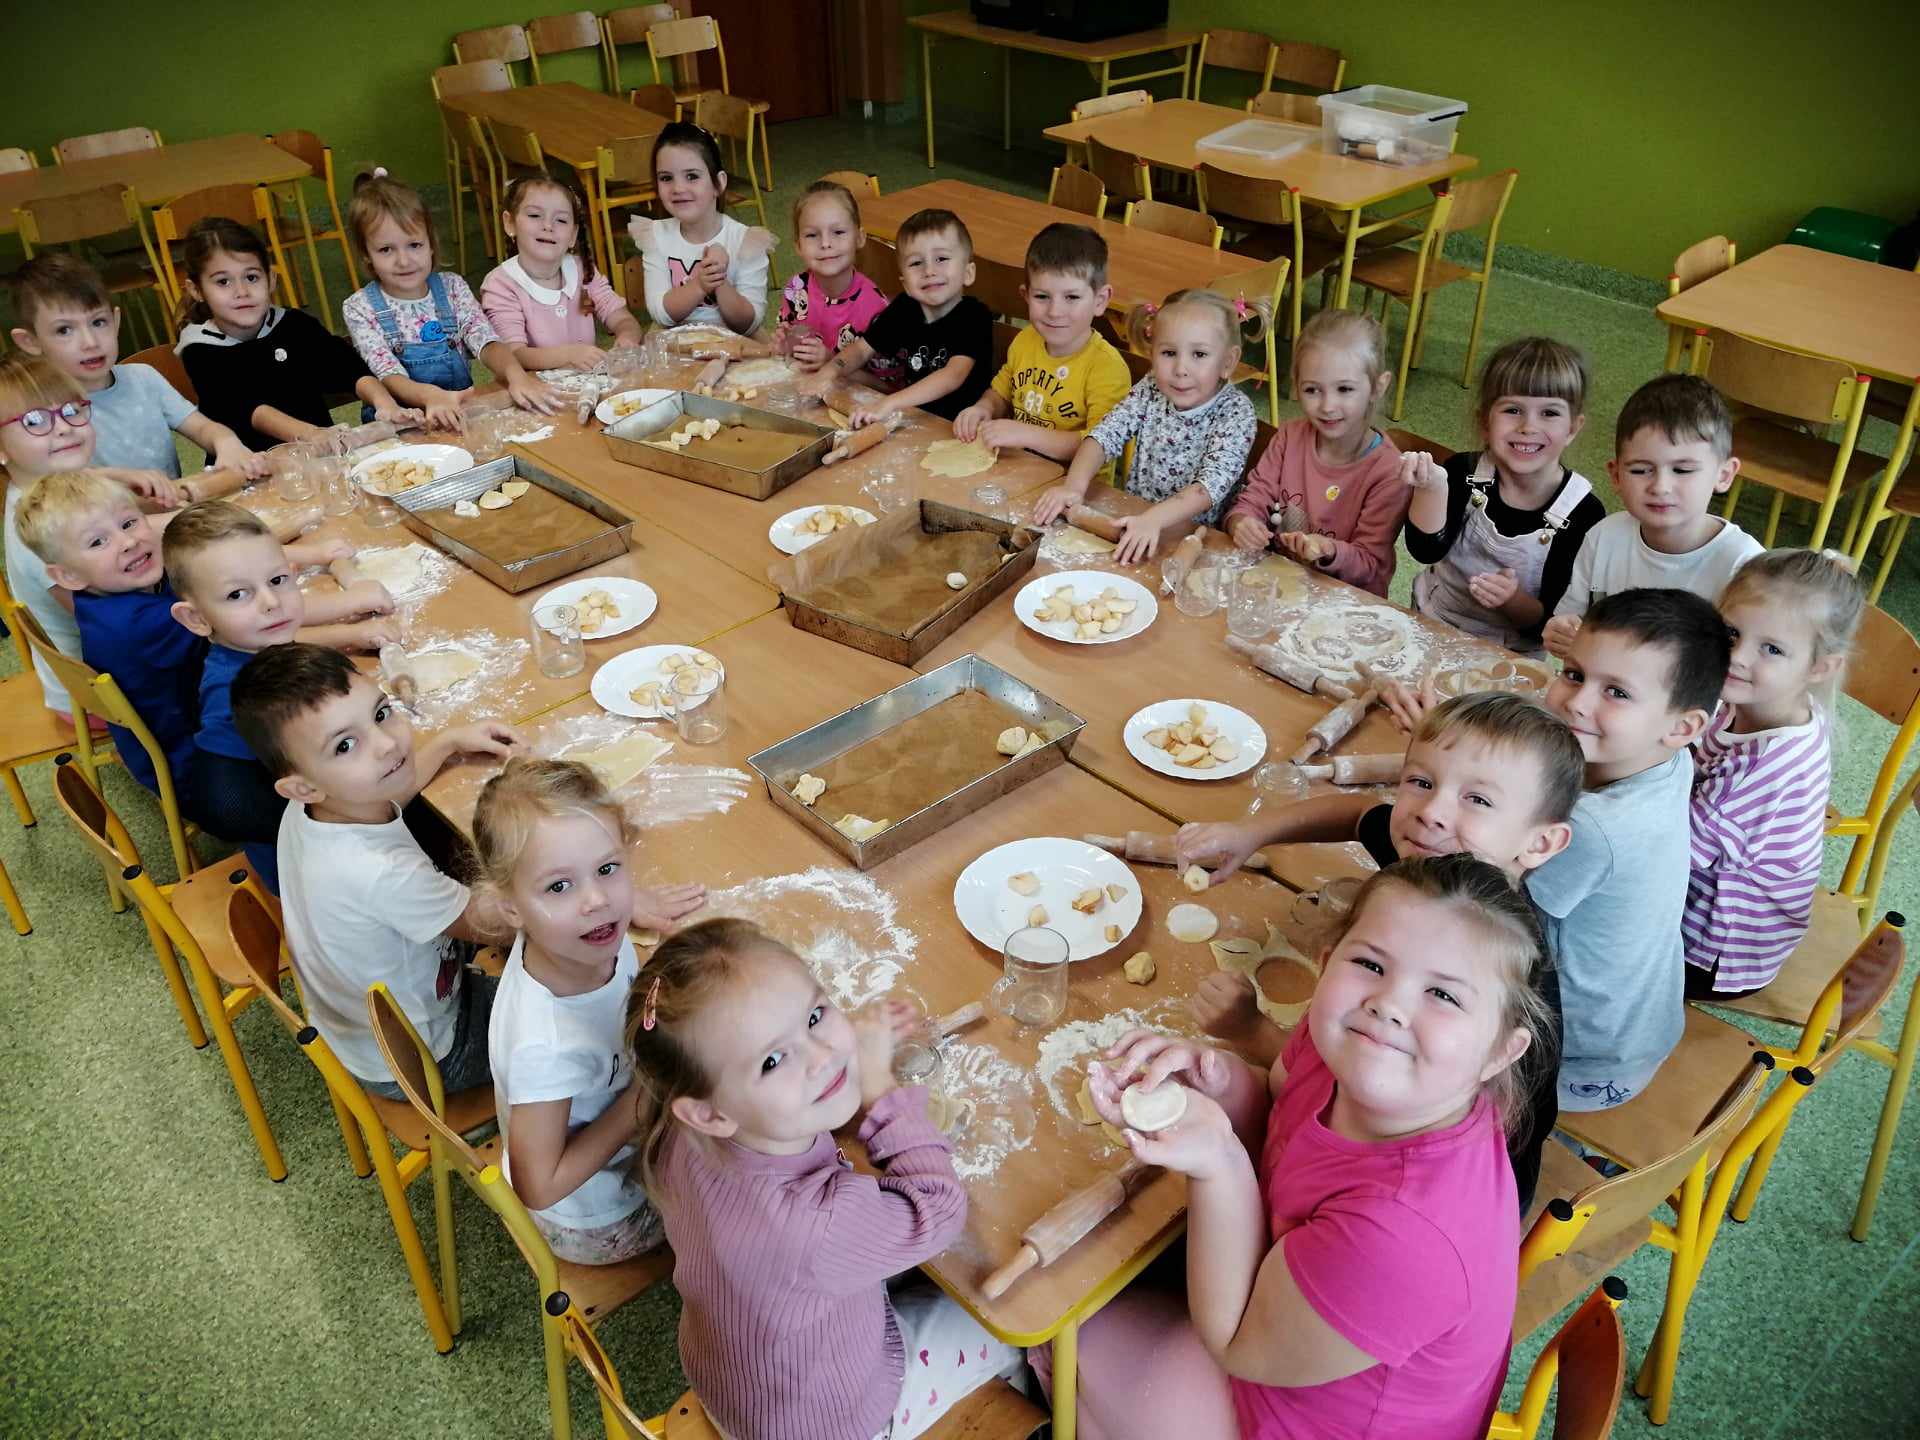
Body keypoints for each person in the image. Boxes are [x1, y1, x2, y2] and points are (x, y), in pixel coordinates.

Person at [1042, 855, 1551, 1440]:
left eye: (1443, 994)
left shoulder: (1409, 1237)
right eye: (1369, 963)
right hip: (1285, 1318)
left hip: (1303, 1408)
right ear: (1328, 961)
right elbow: (1280, 1108)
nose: (1388, 1003)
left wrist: (1218, 1162)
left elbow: (1235, 1340)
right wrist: (1217, 1081)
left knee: (1071, 1325)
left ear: (1500, 1052)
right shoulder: (1350, 1041)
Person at [1177, 691, 1581, 1211]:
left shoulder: (1505, 995)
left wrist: (1249, 1031)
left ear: (1542, 844)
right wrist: (1253, 833)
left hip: (1396, 1186)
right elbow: (1362, 814)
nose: (1429, 812)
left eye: (1477, 800)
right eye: (1421, 781)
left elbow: (1371, 1079)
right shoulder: (1443, 868)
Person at [625, 917, 1024, 1440]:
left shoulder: (682, 1135)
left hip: (738, 1387)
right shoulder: (815, 1225)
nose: (823, 1057)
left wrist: (817, 1067)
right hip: (830, 1420)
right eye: (772, 1060)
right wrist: (879, 1090)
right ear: (707, 1112)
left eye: (815, 1015)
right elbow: (940, 1209)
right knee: (1011, 1324)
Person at [230, 644, 521, 1096]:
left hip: (357, 1030)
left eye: (381, 713)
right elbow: (498, 925)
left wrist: (445, 745)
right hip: (427, 1056)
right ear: (302, 785)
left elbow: (388, 793)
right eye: (345, 745)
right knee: (586, 1016)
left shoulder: (310, 808)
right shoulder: (382, 872)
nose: (387, 745)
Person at [476, 758, 702, 1263]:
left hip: (623, 1133)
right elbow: (539, 1184)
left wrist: (627, 900)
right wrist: (644, 1100)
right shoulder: (546, 1047)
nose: (596, 901)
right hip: (598, 1218)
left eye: (607, 868)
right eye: (560, 886)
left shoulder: (576, 936)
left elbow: (593, 896)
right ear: (512, 909)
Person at [1531, 588, 1729, 1110]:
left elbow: (1485, 901)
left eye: (1616, 692)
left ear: (1683, 727)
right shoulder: (1666, 758)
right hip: (1640, 1029)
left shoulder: (1593, 828)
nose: (1577, 702)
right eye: (1574, 674)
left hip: (1577, 1062)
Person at [164, 502, 397, 888]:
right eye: (238, 594)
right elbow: (228, 805)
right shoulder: (232, 693)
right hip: (313, 868)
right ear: (197, 619)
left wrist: (349, 636)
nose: (271, 603)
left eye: (276, 581)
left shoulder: (255, 648)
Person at [1685, 550, 1863, 998]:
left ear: (1819, 668)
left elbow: (1672, 852)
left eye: (1772, 649)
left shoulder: (1767, 764)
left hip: (1711, 953)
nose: (1737, 657)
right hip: (1712, 903)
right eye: (1731, 632)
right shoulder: (1763, 699)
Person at [0, 355, 185, 720]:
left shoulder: (48, 491)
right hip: (108, 693)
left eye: (72, 409)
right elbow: (133, 621)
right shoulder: (41, 537)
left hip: (127, 656)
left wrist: (115, 475)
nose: (65, 428)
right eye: (35, 421)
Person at [1401, 337, 1606, 655]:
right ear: (1485, 422)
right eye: (1513, 410)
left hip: (1509, 656)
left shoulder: (1584, 513)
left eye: (1549, 413)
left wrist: (1513, 602)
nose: (1528, 427)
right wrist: (1431, 489)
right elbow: (1424, 550)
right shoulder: (1463, 471)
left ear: (1573, 428)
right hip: (1431, 623)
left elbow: (1552, 623)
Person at [1029, 289, 1260, 564]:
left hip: (1197, 544)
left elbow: (1209, 487)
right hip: (1138, 524)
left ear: (1228, 362)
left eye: (1199, 354)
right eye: (1169, 353)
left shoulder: (1236, 412)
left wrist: (1153, 519)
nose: (1181, 368)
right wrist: (1074, 487)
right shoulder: (1151, 389)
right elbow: (1104, 436)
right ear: (1152, 352)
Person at [1543, 373, 1762, 660]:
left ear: (1723, 475)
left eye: (1682, 470)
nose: (1660, 487)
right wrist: (1561, 633)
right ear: (1616, 475)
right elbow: (1570, 621)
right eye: (1640, 470)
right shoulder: (1603, 537)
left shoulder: (1744, 567)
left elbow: (1747, 674)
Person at [8, 253, 266, 483]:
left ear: (116, 320)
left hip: (175, 515)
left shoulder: (143, 378)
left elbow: (201, 427)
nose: (90, 342)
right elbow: (69, 493)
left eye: (98, 322)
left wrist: (226, 441)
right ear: (30, 342)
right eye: (64, 330)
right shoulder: (43, 417)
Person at [173, 218, 418, 452]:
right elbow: (247, 408)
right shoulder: (199, 350)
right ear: (196, 289)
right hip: (254, 470)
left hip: (324, 457)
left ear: (271, 279)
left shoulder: (294, 325)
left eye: (251, 277)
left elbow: (348, 369)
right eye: (223, 282)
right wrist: (311, 434)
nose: (241, 291)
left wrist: (384, 403)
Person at [342, 169, 561, 429]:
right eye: (386, 249)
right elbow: (388, 373)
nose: (403, 260)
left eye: (414, 245)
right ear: (366, 254)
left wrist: (516, 376)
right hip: (402, 425)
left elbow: (486, 341)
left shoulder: (452, 287)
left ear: (431, 243)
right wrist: (432, 396)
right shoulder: (359, 308)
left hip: (458, 413)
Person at [1225, 310, 1407, 597]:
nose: (1327, 405)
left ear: (1377, 387)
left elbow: (1370, 563)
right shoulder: (1288, 437)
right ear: (1297, 385)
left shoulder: (1389, 471)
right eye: (1312, 390)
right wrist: (1242, 522)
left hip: (1346, 601)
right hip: (1278, 586)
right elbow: (1252, 499)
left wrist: (1329, 550)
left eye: (1345, 389)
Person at [952, 222, 1130, 473]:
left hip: (1076, 489)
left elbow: (1097, 446)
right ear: (1026, 296)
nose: (1055, 312)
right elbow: (1002, 391)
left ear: (1100, 301)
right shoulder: (1025, 340)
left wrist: (1026, 434)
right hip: (1018, 471)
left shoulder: (1107, 368)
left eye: (1072, 297)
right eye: (1042, 297)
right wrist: (984, 408)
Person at [810, 208, 993, 425]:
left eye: (941, 258)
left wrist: (889, 403)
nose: (929, 271)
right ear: (905, 283)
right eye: (916, 263)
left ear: (968, 273)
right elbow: (861, 349)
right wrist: (829, 371)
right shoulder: (906, 308)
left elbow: (952, 376)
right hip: (915, 420)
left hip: (962, 430)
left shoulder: (974, 317)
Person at [480, 174, 643, 375]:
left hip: (585, 385)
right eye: (534, 215)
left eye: (561, 220)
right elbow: (513, 355)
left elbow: (622, 319)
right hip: (533, 392)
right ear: (510, 223)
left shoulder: (583, 269)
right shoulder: (500, 284)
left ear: (573, 235)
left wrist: (626, 338)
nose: (548, 226)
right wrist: (569, 355)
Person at [634, 122, 772, 336]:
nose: (678, 188)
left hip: (736, 345)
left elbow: (749, 323)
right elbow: (660, 314)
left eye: (692, 176)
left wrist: (718, 280)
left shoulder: (745, 241)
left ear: (719, 183)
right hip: (675, 347)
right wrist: (699, 285)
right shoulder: (655, 236)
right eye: (666, 178)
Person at [772, 179, 888, 370]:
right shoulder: (796, 287)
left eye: (838, 232)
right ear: (798, 246)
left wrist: (831, 363)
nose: (825, 243)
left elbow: (886, 387)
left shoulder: (876, 309)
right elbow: (790, 350)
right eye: (812, 235)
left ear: (859, 238)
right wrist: (784, 345)